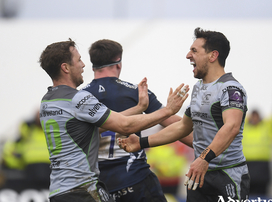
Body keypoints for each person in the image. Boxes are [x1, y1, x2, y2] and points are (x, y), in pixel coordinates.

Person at [38, 39, 188, 202]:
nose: (83, 65)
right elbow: (125, 125)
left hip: (58, 191)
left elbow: (91, 129)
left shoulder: (47, 102)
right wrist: (168, 110)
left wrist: (138, 108)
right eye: (78, 60)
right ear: (65, 68)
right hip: (83, 190)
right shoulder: (78, 99)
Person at [118, 27, 250, 202]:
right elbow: (182, 127)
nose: (188, 55)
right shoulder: (198, 88)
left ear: (213, 56)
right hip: (199, 174)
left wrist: (204, 158)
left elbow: (231, 127)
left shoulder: (231, 89)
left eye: (194, 51)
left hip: (227, 174)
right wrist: (141, 142)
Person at [83, 39, 193, 202]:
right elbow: (176, 125)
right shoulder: (137, 92)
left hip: (99, 187)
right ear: (118, 63)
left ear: (93, 65)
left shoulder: (80, 98)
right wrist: (211, 147)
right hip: (136, 180)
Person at [1, 110, 51, 192]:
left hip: (49, 168)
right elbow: (9, 151)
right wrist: (17, 159)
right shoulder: (27, 132)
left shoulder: (54, 132)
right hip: (30, 170)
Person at [242, 95, 272, 197]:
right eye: (253, 116)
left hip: (263, 165)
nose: (255, 118)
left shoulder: (266, 126)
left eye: (257, 116)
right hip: (247, 165)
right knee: (247, 193)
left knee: (262, 193)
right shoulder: (244, 127)